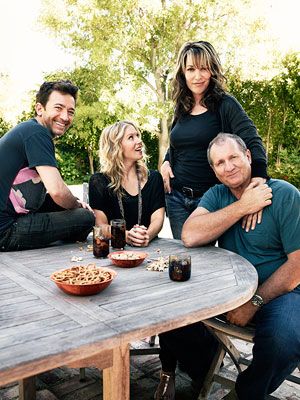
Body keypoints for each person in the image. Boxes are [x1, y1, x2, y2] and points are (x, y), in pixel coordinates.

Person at [178, 133, 299, 400]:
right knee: (174, 310)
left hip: (285, 293)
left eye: (233, 157)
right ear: (214, 170)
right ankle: (202, 372)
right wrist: (243, 206)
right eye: (220, 162)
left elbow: (297, 266)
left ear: (248, 156)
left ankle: (245, 394)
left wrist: (253, 302)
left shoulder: (285, 195)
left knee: (283, 340)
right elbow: (190, 235)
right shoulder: (217, 195)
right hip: (233, 290)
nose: (228, 166)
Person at [160, 40, 268, 240]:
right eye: (191, 69)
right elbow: (178, 141)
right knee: (186, 260)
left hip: (210, 200)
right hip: (176, 199)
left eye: (204, 68)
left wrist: (259, 178)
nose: (197, 76)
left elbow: (252, 140)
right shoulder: (181, 106)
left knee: (217, 262)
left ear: (212, 71)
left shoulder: (225, 104)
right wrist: (167, 160)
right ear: (183, 73)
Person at [0, 80, 95, 251]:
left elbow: (49, 195)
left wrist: (76, 202)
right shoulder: (37, 133)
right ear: (39, 108)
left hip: (9, 217)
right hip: (5, 230)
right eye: (58, 108)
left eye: (70, 111)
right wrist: (77, 206)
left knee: (72, 207)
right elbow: (57, 191)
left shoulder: (27, 130)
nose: (65, 117)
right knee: (86, 217)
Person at [89, 121, 165, 247]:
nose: (139, 141)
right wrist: (125, 235)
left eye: (137, 136)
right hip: (114, 251)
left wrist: (147, 236)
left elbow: (158, 219)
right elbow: (100, 225)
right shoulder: (99, 181)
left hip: (151, 249)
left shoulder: (154, 178)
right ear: (116, 146)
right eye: (131, 138)